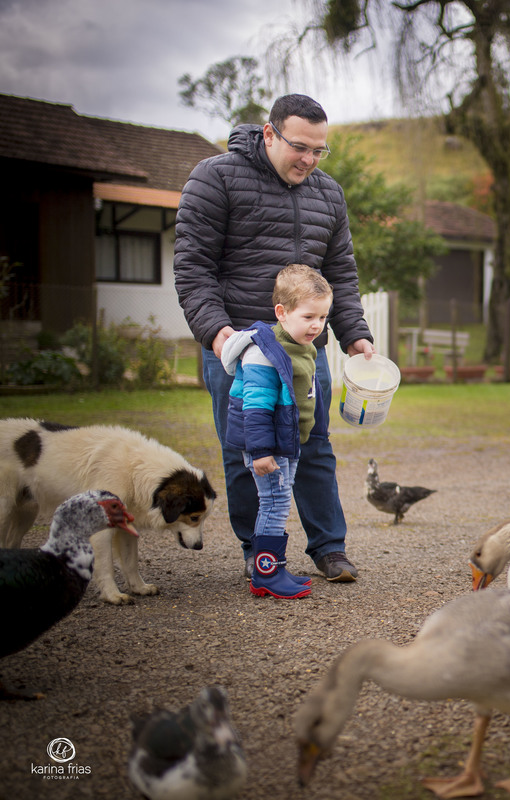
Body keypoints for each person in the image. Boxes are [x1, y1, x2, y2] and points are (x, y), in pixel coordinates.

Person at [174, 94, 374, 583]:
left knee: (315, 445)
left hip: (307, 350)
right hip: (240, 347)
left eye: (319, 150)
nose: (309, 159)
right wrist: (217, 333)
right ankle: (257, 550)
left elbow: (341, 276)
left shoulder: (328, 194)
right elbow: (193, 266)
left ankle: (329, 548)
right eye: (299, 147)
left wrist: (355, 337)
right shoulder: (214, 178)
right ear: (269, 134)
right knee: (247, 451)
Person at [222, 265, 332, 599]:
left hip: (286, 442)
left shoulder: (300, 344)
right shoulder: (262, 354)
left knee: (278, 502)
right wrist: (259, 452)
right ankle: (266, 573)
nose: (317, 325)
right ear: (281, 313)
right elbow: (255, 409)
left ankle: (274, 566)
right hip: (266, 445)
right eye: (309, 316)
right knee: (273, 503)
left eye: (323, 317)